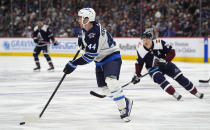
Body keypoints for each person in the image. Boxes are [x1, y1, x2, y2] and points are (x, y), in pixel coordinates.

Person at [63, 8, 133, 122]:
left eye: (80, 18)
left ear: (87, 19)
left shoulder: (94, 32)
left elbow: (90, 56)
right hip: (100, 61)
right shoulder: (87, 27)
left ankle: (123, 109)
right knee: (104, 89)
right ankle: (125, 101)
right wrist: (81, 39)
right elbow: (84, 37)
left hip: (111, 57)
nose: (78, 20)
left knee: (111, 81)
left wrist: (74, 64)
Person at [131, 31, 204, 100]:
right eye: (143, 40)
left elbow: (172, 52)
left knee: (180, 77)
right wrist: (137, 74)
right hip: (153, 68)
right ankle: (174, 93)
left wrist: (165, 60)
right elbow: (139, 63)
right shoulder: (140, 50)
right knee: (159, 78)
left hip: (165, 63)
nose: (145, 41)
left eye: (147, 39)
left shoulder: (159, 43)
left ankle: (195, 92)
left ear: (151, 39)